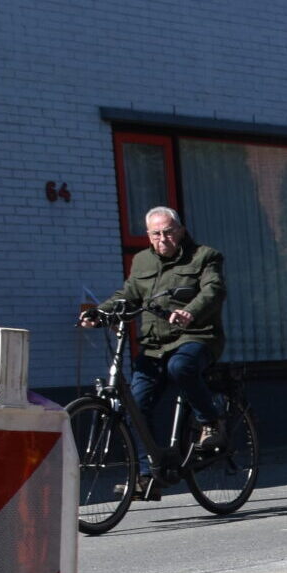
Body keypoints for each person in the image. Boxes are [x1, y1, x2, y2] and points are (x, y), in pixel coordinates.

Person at [88, 206, 225, 482]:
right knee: (135, 407)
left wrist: (191, 311)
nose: (163, 239)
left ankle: (210, 421)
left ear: (181, 231)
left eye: (168, 232)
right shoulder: (141, 262)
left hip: (196, 336)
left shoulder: (204, 256)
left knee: (181, 366)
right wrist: (99, 313)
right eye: (156, 234)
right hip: (154, 344)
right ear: (149, 236)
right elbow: (128, 294)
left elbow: (214, 289)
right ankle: (147, 474)